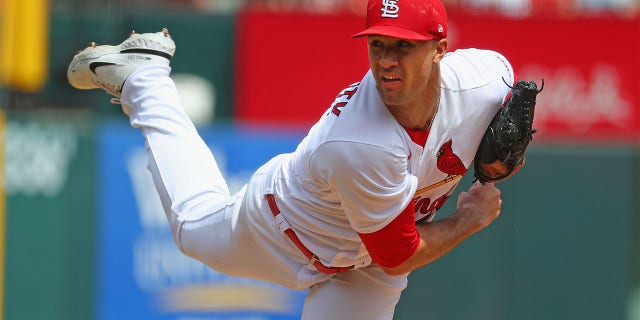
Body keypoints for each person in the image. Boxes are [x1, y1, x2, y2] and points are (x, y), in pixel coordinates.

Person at [67, 0, 511, 318]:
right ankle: (146, 79)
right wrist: (469, 219)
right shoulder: (361, 143)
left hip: (367, 264)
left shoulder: (487, 80)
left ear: (440, 48)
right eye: (378, 45)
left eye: (404, 47)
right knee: (193, 229)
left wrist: (502, 162)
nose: (387, 61)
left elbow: (509, 92)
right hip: (286, 231)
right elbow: (398, 254)